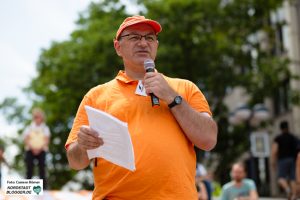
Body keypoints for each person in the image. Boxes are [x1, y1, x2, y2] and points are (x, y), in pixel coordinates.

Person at [65, 15, 218, 199]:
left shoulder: (184, 88)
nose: (143, 43)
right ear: (117, 47)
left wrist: (171, 97)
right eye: (134, 37)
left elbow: (209, 139)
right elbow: (75, 162)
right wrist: (83, 146)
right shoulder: (96, 96)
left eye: (149, 38)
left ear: (156, 46)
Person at [23, 108, 50, 189]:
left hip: (42, 151)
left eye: (38, 117)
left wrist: (39, 149)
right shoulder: (29, 127)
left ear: (42, 118)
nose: (37, 118)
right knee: (29, 169)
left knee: (42, 170)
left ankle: (44, 189)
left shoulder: (45, 128)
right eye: (35, 117)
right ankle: (27, 189)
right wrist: (33, 148)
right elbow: (26, 139)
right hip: (30, 150)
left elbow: (47, 140)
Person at [271, 121, 298, 199]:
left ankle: (288, 190)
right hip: (293, 160)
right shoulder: (293, 137)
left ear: (280, 128)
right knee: (293, 178)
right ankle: (294, 195)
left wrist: (273, 162)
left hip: (283, 160)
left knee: (281, 178)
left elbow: (274, 151)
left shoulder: (278, 138)